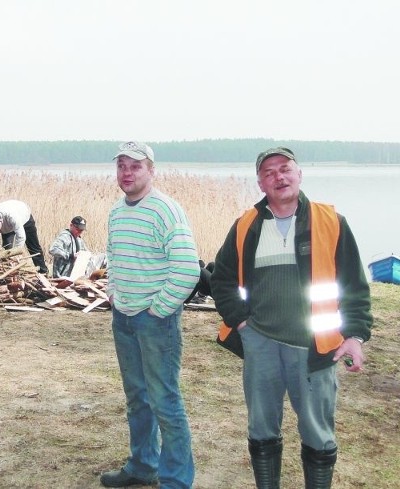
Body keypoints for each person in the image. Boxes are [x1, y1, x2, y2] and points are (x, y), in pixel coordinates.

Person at [211, 147, 372, 488]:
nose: (278, 177)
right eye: (269, 173)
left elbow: (355, 286)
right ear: (260, 183)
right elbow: (220, 278)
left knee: (317, 432)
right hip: (261, 343)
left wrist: (355, 336)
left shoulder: (331, 222)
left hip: (316, 347)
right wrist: (242, 323)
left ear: (299, 174)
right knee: (262, 428)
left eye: (284, 169)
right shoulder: (246, 226)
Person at [101, 141, 201, 489]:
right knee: (137, 398)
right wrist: (114, 294)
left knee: (165, 401)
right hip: (124, 319)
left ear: (151, 171)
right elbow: (111, 257)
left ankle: (176, 480)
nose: (126, 173)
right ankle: (143, 465)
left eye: (135, 166)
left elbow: (188, 269)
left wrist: (158, 309)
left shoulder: (166, 211)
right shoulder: (116, 211)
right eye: (121, 166)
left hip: (156, 322)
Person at [0, 199, 49, 274]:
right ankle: (8, 273)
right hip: (8, 227)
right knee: (7, 250)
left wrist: (16, 254)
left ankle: (43, 271)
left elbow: (21, 237)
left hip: (24, 217)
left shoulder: (12, 216)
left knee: (33, 247)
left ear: (1, 221)